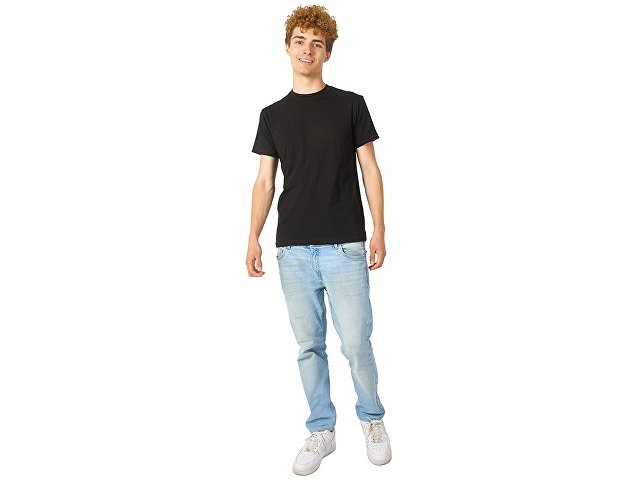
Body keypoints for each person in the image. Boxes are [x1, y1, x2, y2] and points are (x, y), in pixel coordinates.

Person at [245, 5, 391, 476]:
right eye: (300, 41)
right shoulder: (272, 115)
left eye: (317, 44)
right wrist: (253, 236)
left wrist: (380, 228)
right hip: (292, 250)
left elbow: (370, 168)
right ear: (287, 46)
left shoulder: (351, 105)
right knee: (309, 346)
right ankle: (321, 430)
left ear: (327, 53)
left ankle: (372, 419)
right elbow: (264, 182)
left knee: (357, 343)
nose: (307, 50)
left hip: (345, 245)